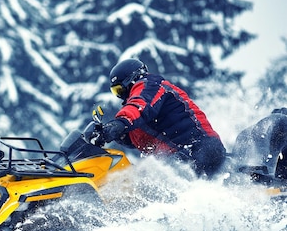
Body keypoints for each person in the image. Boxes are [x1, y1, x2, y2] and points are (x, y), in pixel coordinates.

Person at [94, 58, 226, 177]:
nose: (120, 96)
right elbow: (140, 139)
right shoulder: (142, 113)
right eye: (116, 92)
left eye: (120, 90)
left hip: (200, 147)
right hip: (183, 154)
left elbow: (140, 105)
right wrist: (116, 134)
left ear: (131, 80)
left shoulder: (150, 85)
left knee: (155, 183)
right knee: (146, 180)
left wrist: (118, 124)